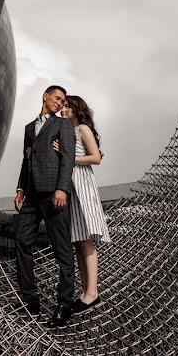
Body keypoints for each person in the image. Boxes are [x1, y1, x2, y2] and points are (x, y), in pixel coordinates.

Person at [14, 84, 77, 328]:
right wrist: (20, 188)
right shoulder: (29, 128)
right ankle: (30, 300)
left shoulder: (63, 125)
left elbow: (68, 158)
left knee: (62, 249)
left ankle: (64, 303)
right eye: (57, 98)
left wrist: (62, 188)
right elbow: (25, 160)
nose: (60, 103)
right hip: (31, 195)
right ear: (45, 96)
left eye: (63, 101)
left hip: (54, 193)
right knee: (21, 239)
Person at [56, 95, 110, 314]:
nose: (63, 109)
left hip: (83, 186)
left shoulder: (83, 130)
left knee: (86, 241)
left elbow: (96, 158)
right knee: (78, 241)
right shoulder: (65, 132)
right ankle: (86, 291)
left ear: (77, 109)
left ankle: (92, 293)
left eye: (67, 106)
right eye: (63, 106)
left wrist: (68, 157)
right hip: (69, 187)